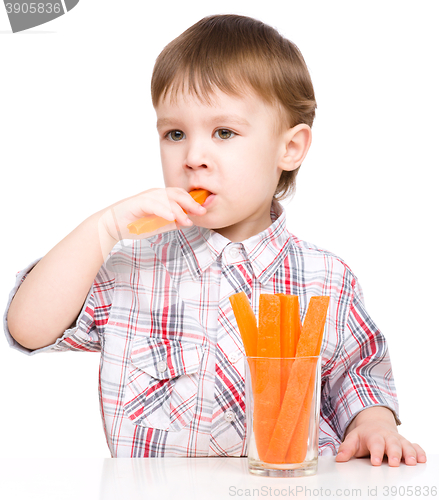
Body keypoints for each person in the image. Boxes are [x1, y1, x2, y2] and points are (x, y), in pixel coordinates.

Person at [4, 14, 425, 465]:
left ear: (290, 148)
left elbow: (360, 378)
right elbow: (27, 328)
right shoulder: (132, 269)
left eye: (224, 132)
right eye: (175, 133)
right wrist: (104, 228)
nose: (193, 157)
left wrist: (374, 425)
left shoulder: (328, 279)